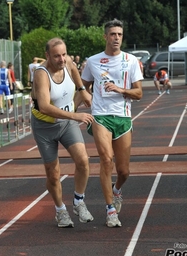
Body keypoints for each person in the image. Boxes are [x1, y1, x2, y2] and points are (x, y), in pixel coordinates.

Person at [81, 19, 143, 228]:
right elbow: (84, 86)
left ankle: (116, 190)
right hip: (100, 116)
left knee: (124, 171)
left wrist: (120, 90)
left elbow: (139, 93)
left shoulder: (131, 61)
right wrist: (75, 107)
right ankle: (110, 210)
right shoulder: (93, 61)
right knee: (106, 159)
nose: (116, 38)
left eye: (119, 34)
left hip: (123, 117)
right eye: (113, 34)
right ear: (105, 37)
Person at [31, 37, 94, 228]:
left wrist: (82, 90)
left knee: (83, 160)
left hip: (66, 123)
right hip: (45, 126)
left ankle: (78, 201)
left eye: (64, 54)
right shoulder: (41, 74)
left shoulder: (67, 62)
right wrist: (75, 115)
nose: (62, 59)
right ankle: (60, 211)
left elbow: (75, 70)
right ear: (47, 55)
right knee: (53, 173)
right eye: (57, 56)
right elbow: (44, 107)